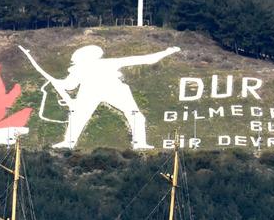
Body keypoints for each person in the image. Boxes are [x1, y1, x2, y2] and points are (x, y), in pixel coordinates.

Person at [17, 43, 179, 150]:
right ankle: (139, 143)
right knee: (79, 117)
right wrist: (166, 52)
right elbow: (146, 59)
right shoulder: (86, 67)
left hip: (112, 90)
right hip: (94, 91)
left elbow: (69, 86)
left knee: (134, 116)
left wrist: (58, 82)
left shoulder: (89, 66)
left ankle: (140, 143)